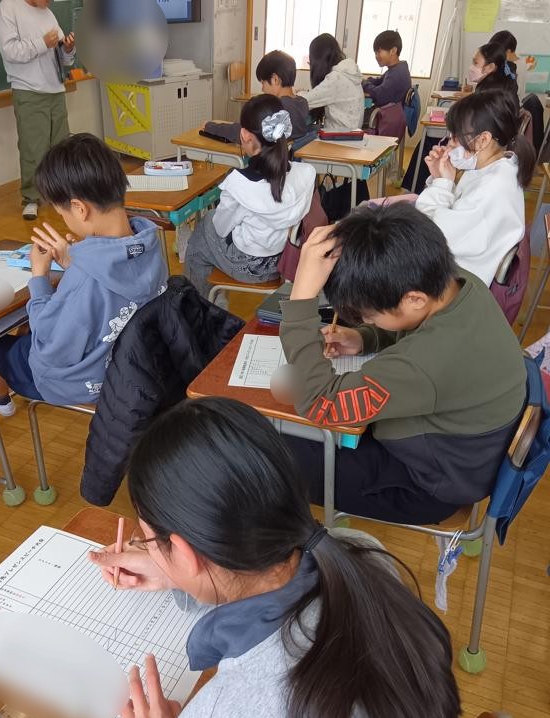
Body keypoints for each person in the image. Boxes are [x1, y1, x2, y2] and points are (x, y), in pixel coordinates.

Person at [89, 396, 463, 718]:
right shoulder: (361, 557)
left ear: (186, 552)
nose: (149, 548)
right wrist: (174, 573)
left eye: (150, 540)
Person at [278, 205, 527, 524]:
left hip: (425, 485)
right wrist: (365, 337)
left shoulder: (427, 363)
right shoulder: (459, 283)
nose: (367, 319)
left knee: (272, 457)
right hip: (458, 453)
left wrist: (301, 299)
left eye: (369, 315)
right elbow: (417, 327)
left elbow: (320, 403)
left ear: (414, 299)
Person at [0, 134, 167, 414]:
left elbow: (51, 343)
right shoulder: (148, 242)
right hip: (140, 367)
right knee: (26, 331)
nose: (64, 220)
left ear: (80, 209)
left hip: (91, 381)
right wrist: (76, 262)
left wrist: (39, 277)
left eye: (63, 214)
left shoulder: (84, 279)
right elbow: (110, 289)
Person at [185, 94, 315, 300]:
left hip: (249, 266)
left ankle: (197, 305)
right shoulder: (306, 173)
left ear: (244, 135)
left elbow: (221, 229)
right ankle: (209, 300)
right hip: (284, 259)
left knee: (203, 231)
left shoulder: (240, 184)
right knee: (208, 229)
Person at [416, 89, 534, 287]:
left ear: (483, 140)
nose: (449, 144)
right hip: (455, 265)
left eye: (455, 137)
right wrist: (441, 177)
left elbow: (427, 236)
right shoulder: (496, 167)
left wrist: (442, 183)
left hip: (453, 281)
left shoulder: (492, 188)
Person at [0, 0, 76, 221]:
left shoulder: (48, 13)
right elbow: (10, 51)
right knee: (33, 147)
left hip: (55, 88)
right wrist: (42, 43)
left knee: (61, 146)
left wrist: (68, 49)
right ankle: (31, 198)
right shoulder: (7, 8)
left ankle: (62, 194)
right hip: (28, 90)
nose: (51, 1)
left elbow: (62, 57)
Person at [402, 41, 519, 194]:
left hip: (477, 143)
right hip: (482, 142)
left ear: (490, 67)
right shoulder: (494, 86)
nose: (472, 67)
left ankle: (414, 190)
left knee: (427, 144)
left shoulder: (491, 91)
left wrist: (441, 185)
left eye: (475, 63)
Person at [299, 33, 364, 132]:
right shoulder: (348, 73)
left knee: (300, 137)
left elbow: (305, 102)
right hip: (352, 134)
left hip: (340, 137)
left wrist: (295, 94)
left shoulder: (336, 78)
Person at [256, 50, 311, 139]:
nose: (262, 89)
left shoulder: (276, 109)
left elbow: (253, 133)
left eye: (263, 83)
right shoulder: (303, 103)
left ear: (275, 79)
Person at [363, 29, 412, 107]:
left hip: (389, 113)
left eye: (379, 52)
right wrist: (366, 80)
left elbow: (378, 95)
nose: (376, 56)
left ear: (393, 51)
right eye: (375, 53)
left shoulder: (397, 74)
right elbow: (379, 81)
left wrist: (364, 84)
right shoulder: (398, 68)